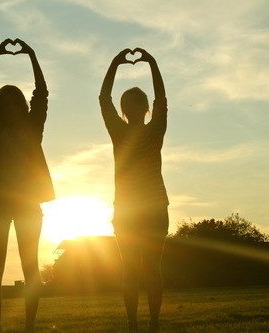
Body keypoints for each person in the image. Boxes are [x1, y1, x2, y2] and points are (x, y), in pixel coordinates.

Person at [0, 38, 55, 333]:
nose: (9, 105)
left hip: (27, 205)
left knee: (30, 267)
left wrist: (32, 55)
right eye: (3, 101)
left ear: (21, 105)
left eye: (14, 100)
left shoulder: (33, 127)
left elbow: (42, 94)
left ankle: (30, 327)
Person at [99, 48, 169, 333]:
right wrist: (148, 62)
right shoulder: (138, 131)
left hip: (142, 209)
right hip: (138, 209)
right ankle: (140, 323)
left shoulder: (142, 131)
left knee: (142, 270)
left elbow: (105, 99)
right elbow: (160, 100)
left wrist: (120, 63)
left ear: (127, 110)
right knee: (141, 270)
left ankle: (146, 323)